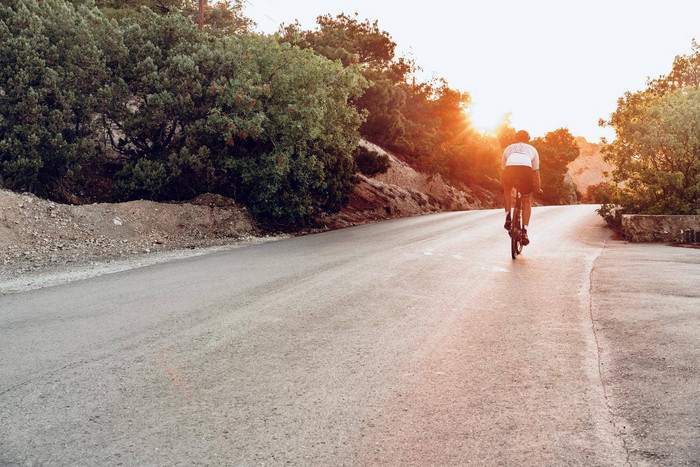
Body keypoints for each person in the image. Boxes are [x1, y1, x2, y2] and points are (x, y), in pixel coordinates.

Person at [501, 130, 541, 246]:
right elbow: (536, 173)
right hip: (525, 170)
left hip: (510, 169)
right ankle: (524, 232)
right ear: (528, 139)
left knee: (507, 190)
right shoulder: (532, 149)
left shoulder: (508, 148)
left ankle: (508, 217)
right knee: (527, 200)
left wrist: (503, 186)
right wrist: (538, 189)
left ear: (515, 139)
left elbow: (502, 171)